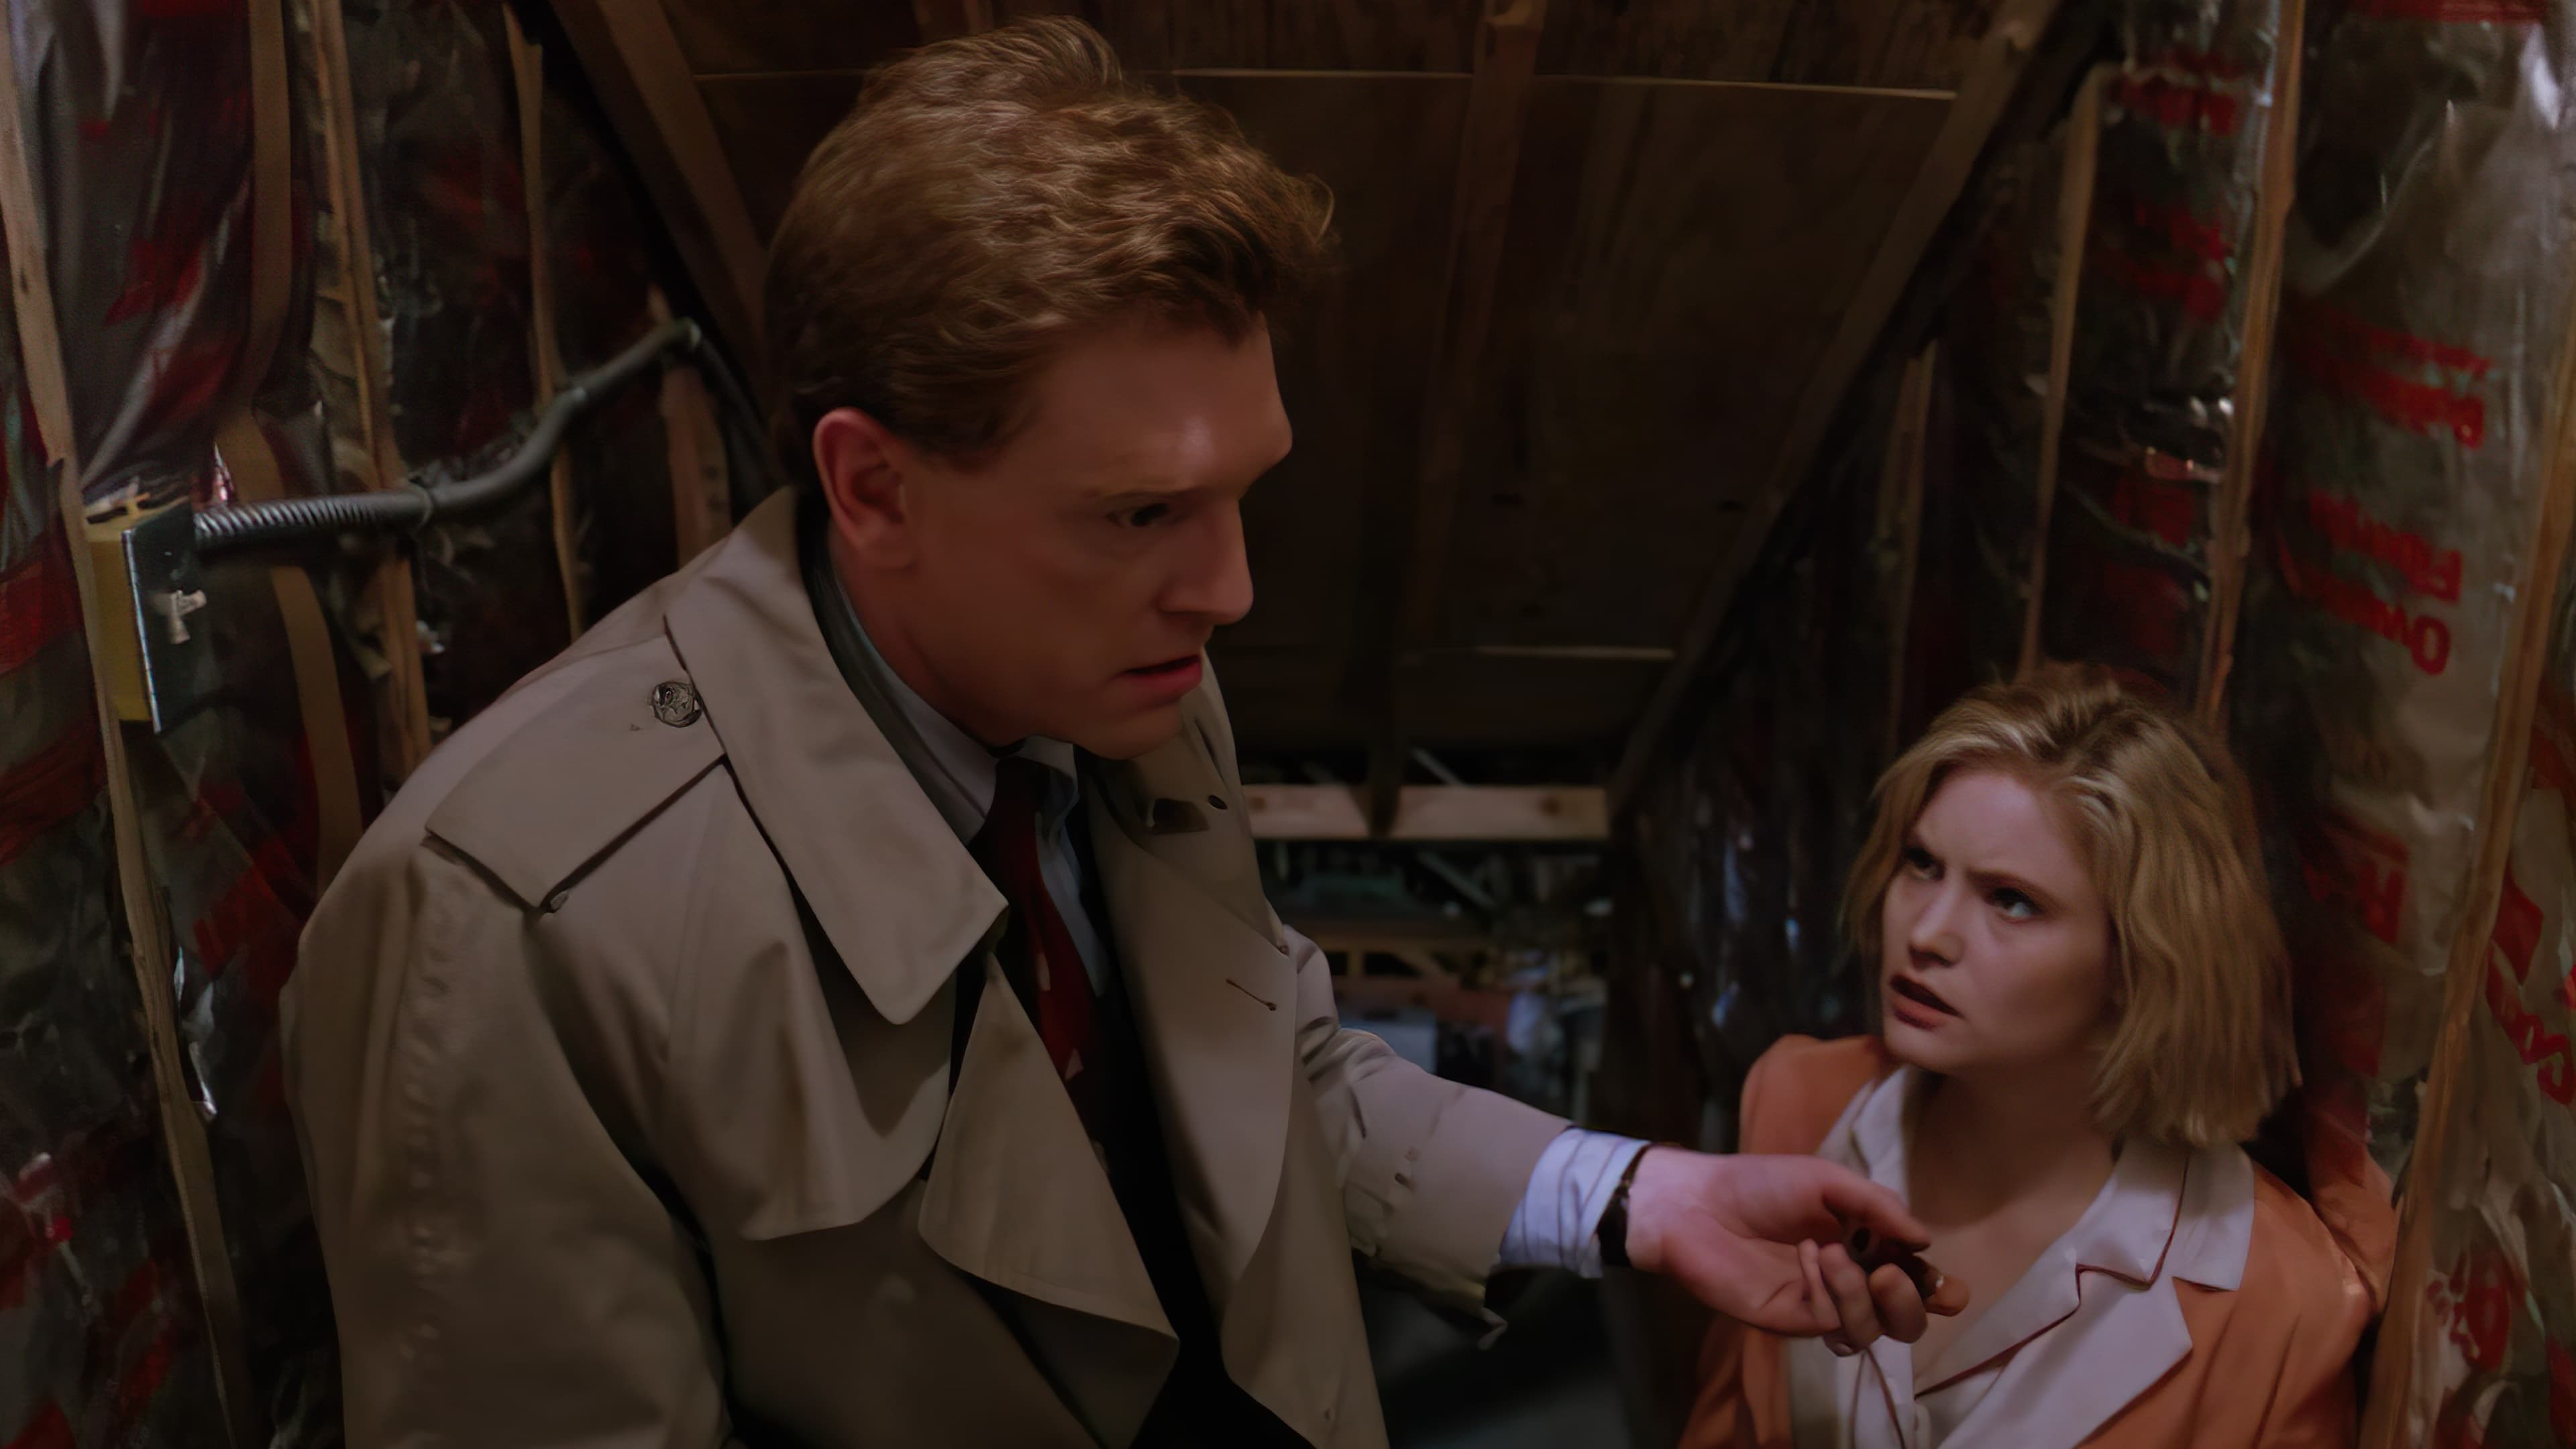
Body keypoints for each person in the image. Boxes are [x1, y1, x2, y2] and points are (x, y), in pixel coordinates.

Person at [282, 19, 1958, 1448]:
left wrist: (1641, 1195)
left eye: (1242, 495)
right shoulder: (511, 927)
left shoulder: (1110, 681)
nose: (1228, 590)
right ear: (873, 486)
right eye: (1140, 511)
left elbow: (1264, 1079)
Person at [1680, 665, 2372, 1449]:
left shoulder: (2281, 1297)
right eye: (1922, 863)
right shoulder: (1799, 1100)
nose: (1926, 933)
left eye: (2011, 900)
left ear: (2140, 960)